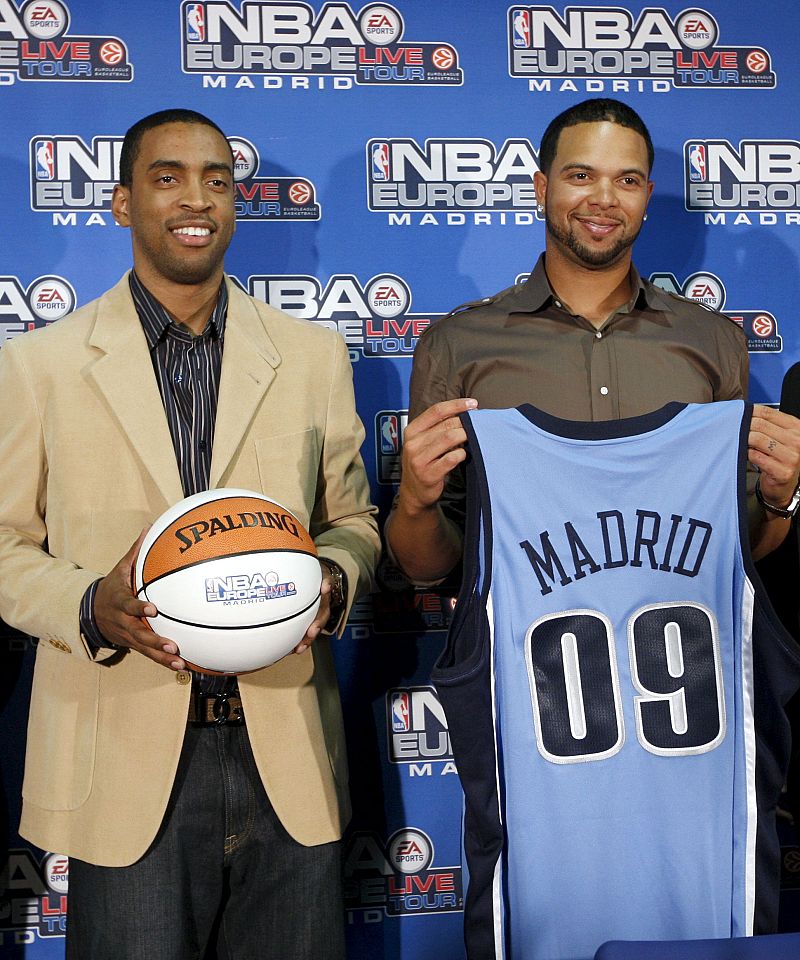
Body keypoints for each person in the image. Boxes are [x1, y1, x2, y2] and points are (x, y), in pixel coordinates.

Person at [0, 108, 379, 959]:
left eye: (216, 179)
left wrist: (331, 578)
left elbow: (352, 522)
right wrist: (91, 605)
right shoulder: (39, 365)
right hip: (125, 758)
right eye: (167, 177)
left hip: (286, 750)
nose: (195, 199)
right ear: (122, 202)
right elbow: (4, 545)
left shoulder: (312, 356)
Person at [386, 98, 800, 583]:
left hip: (680, 628)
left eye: (627, 181)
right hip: (521, 633)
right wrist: (416, 503)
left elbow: (738, 548)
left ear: (646, 196)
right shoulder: (457, 344)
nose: (604, 198)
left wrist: (778, 499)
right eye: (581, 176)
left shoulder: (715, 341)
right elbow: (427, 568)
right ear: (542, 188)